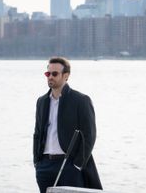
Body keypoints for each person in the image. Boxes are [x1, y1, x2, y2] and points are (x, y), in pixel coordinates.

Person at [33, 57, 102, 193]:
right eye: (48, 74)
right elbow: (37, 133)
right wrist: (37, 161)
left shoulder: (81, 100)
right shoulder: (41, 101)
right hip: (44, 166)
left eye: (54, 74)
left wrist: (77, 165)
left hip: (69, 165)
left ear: (66, 76)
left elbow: (89, 135)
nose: (50, 77)